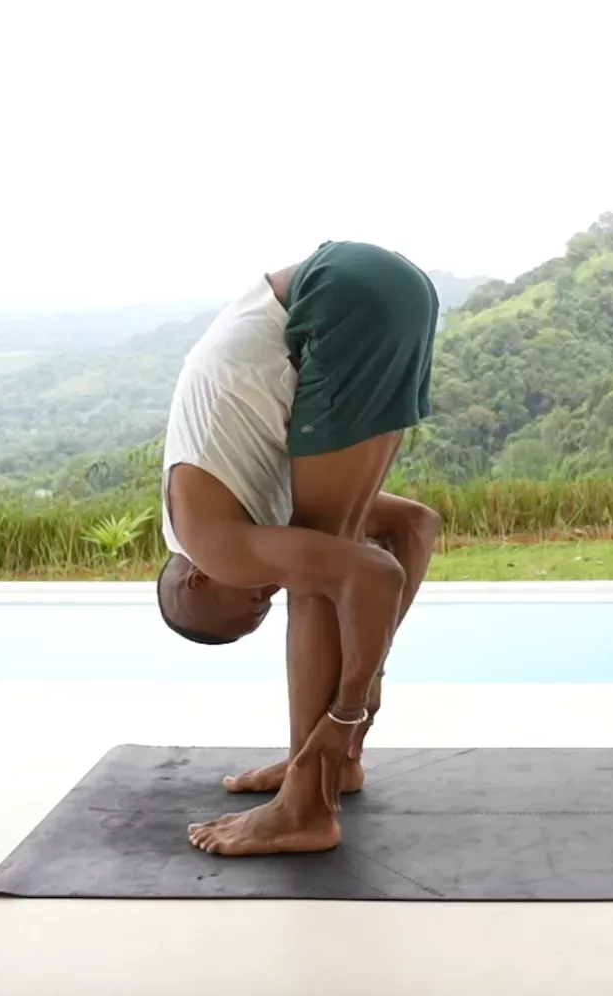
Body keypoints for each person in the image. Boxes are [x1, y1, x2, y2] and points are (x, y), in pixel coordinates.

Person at [154, 240, 443, 856]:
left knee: (320, 572)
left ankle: (306, 806)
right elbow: (413, 527)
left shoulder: (211, 540)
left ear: (200, 579)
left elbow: (371, 576)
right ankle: (324, 771)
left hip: (335, 295)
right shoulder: (243, 498)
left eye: (252, 602)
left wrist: (347, 709)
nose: (266, 591)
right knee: (322, 558)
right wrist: (361, 687)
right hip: (386, 284)